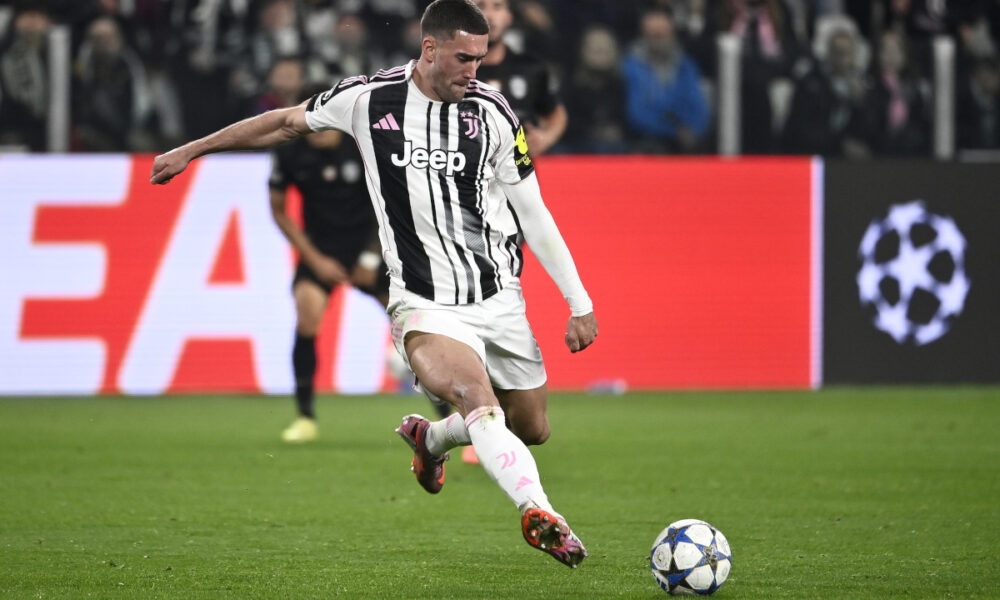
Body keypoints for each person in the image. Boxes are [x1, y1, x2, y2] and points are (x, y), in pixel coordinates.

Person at [150, 0, 598, 569]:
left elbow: (533, 212)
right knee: (475, 397)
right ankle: (539, 512)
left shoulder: (494, 113)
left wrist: (578, 301)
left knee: (531, 427)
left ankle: (431, 440)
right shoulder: (366, 98)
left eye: (481, 59)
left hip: (497, 296)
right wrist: (193, 149)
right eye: (463, 58)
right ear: (429, 48)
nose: (474, 71)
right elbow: (286, 121)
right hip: (422, 301)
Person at [268, 90, 390, 443]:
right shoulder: (290, 152)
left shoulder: (364, 144)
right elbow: (278, 210)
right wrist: (314, 259)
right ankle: (305, 417)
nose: (318, 127)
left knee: (410, 328)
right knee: (307, 313)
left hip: (369, 247)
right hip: (320, 250)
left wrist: (370, 258)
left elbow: (390, 204)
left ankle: (451, 417)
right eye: (311, 118)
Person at [473, 0, 567, 156]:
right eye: (480, 6)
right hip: (464, 172)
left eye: (497, 7)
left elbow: (555, 112)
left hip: (518, 172)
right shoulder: (451, 69)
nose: (489, 15)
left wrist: (545, 138)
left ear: (509, 17)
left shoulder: (530, 68)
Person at [622, 8, 711, 153]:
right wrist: (673, 131)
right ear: (643, 35)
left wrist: (694, 129)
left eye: (662, 34)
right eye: (653, 35)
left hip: (686, 140)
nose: (658, 39)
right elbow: (635, 113)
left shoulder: (686, 65)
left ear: (672, 35)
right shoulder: (630, 66)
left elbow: (699, 106)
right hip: (646, 141)